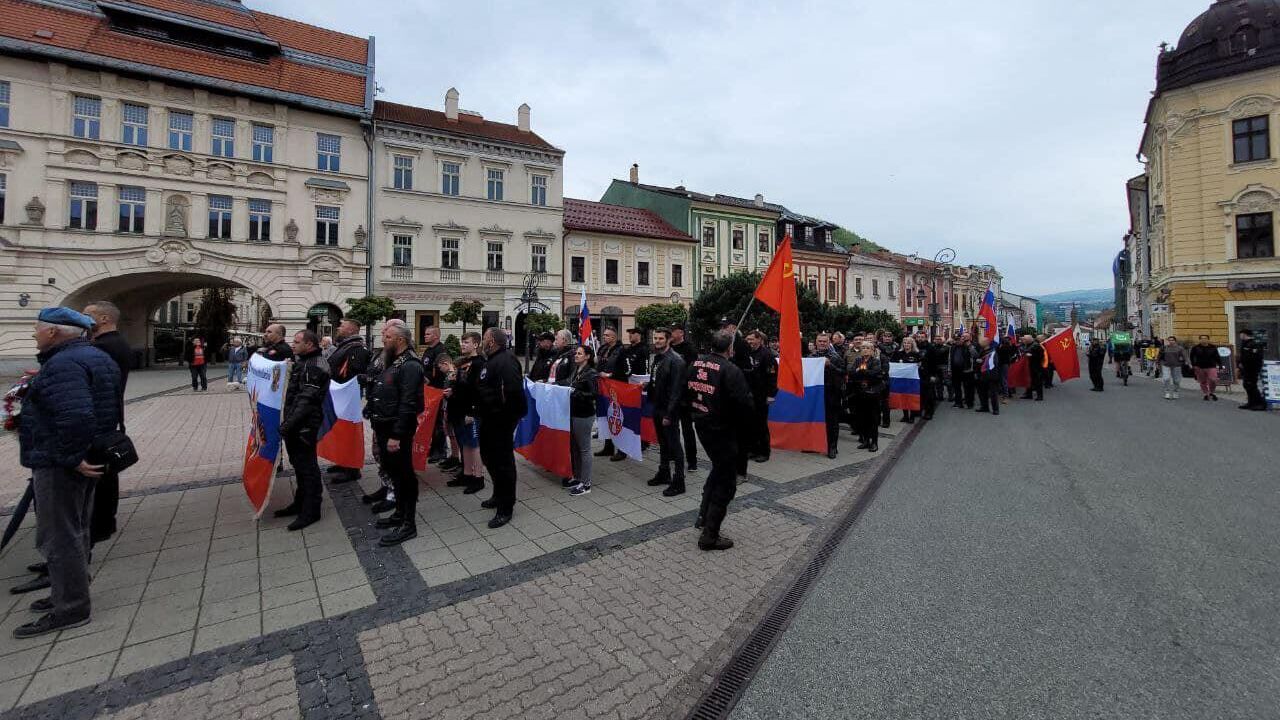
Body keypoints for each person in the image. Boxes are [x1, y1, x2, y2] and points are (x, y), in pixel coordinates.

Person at [14, 308, 121, 638]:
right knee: (77, 527)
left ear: (53, 333)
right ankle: (72, 588)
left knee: (60, 534)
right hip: (87, 455)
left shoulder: (64, 363)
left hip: (63, 462)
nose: (34, 333)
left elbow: (75, 415)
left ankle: (70, 606)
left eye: (37, 329)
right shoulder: (96, 356)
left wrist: (71, 456)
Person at [684, 330, 753, 551]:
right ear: (730, 348)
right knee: (726, 482)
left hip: (702, 425)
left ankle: (704, 515)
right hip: (722, 431)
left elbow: (686, 392)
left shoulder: (696, 364)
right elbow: (745, 405)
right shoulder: (731, 370)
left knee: (718, 470)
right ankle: (710, 535)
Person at [366, 322, 425, 546]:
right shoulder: (395, 361)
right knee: (395, 474)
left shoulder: (410, 365)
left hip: (396, 430)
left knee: (404, 476)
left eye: (388, 336)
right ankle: (400, 513)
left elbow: (408, 403)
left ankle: (408, 524)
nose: (384, 339)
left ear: (400, 340)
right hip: (385, 426)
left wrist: (397, 435)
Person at [82, 301, 131, 545]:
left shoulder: (104, 347)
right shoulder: (114, 343)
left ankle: (99, 525)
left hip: (97, 417)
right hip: (107, 415)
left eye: (87, 315)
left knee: (100, 475)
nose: (83, 319)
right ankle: (103, 523)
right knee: (105, 473)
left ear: (103, 319)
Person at [274, 330, 330, 531]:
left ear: (310, 345)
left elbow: (305, 401)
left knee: (308, 468)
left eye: (297, 342)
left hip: (304, 425)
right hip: (295, 423)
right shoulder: (303, 361)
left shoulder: (315, 366)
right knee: (299, 465)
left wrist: (286, 426)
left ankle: (311, 510)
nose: (293, 344)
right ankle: (300, 502)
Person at [476, 327, 527, 529]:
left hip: (501, 421)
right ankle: (498, 494)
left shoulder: (506, 360)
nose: (482, 341)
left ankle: (506, 507)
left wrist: (506, 417)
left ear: (493, 342)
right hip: (488, 419)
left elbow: (513, 391)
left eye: (485, 338)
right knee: (489, 459)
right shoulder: (491, 359)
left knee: (503, 463)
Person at [324, 319, 372, 484]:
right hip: (338, 396)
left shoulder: (357, 349)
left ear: (351, 330)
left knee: (348, 431)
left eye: (342, 326)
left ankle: (352, 469)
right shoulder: (345, 346)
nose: (338, 328)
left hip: (347, 398)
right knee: (339, 430)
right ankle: (343, 461)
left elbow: (352, 373)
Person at [645, 327, 687, 496]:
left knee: (674, 445)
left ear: (668, 340)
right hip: (657, 406)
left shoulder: (676, 361)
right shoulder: (658, 358)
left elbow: (677, 390)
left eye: (661, 338)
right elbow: (657, 380)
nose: (657, 341)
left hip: (669, 410)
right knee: (662, 442)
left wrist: (669, 414)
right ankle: (664, 473)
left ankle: (679, 480)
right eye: (655, 338)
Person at [444, 332, 486, 493]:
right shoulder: (463, 362)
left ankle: (478, 477)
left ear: (475, 344)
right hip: (458, 409)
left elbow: (477, 390)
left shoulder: (479, 363)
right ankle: (467, 474)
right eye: (462, 342)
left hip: (470, 412)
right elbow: (461, 385)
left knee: (474, 445)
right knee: (465, 444)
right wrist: (452, 392)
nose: (462, 345)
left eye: (466, 342)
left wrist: (473, 412)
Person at [566, 345, 599, 496]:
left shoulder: (591, 373)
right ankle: (578, 476)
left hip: (584, 415)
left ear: (587, 356)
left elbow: (592, 394)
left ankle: (586, 483)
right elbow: (568, 382)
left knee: (584, 449)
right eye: (576, 353)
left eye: (580, 354)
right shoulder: (576, 370)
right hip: (573, 412)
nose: (576, 355)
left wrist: (575, 392)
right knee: (574, 447)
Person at [669, 324, 700, 471]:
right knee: (671, 427)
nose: (671, 333)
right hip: (670, 395)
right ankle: (673, 454)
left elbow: (692, 371)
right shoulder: (668, 347)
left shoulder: (689, 349)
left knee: (687, 429)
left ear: (680, 333)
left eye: (673, 331)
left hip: (685, 396)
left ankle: (692, 461)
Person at [594, 328, 628, 461]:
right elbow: (598, 364)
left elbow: (627, 370)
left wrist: (610, 375)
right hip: (603, 388)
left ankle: (622, 449)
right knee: (605, 417)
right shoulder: (603, 348)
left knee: (617, 417)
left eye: (607, 335)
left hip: (616, 387)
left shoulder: (622, 350)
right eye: (604, 335)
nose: (604, 337)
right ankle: (608, 447)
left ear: (614, 337)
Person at [744, 330, 778, 459]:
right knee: (750, 424)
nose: (749, 342)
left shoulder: (767, 355)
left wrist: (771, 394)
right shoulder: (746, 353)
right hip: (748, 395)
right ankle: (752, 449)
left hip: (761, 395)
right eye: (747, 339)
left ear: (759, 340)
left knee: (761, 424)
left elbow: (772, 376)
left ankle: (764, 452)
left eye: (751, 339)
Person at [812, 332, 845, 459]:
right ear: (816, 342)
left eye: (824, 341)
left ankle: (832, 447)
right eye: (820, 341)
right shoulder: (811, 356)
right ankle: (815, 444)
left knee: (832, 422)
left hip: (832, 393)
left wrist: (829, 365)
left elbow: (842, 373)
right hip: (816, 394)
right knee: (816, 420)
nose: (822, 343)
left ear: (828, 342)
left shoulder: (835, 357)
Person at [418, 325, 448, 465]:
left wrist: (428, 378)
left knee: (437, 422)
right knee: (430, 420)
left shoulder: (441, 350)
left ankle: (440, 450)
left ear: (436, 336)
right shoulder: (428, 350)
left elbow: (440, 371)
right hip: (427, 391)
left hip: (436, 390)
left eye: (428, 334)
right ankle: (433, 447)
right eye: (425, 334)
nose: (425, 336)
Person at [847, 342, 883, 451]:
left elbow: (875, 374)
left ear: (872, 350)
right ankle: (865, 440)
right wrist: (859, 372)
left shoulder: (876, 361)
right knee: (862, 418)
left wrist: (863, 372)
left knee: (873, 419)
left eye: (868, 348)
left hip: (872, 394)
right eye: (863, 348)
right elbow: (852, 372)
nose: (865, 350)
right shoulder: (858, 360)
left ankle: (874, 442)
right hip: (860, 393)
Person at [892, 337, 923, 423]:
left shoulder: (916, 353)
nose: (906, 345)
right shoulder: (898, 353)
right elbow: (893, 363)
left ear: (912, 344)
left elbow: (921, 364)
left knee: (911, 398)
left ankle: (912, 416)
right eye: (905, 343)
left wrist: (919, 365)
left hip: (912, 380)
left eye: (908, 343)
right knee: (903, 397)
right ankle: (905, 416)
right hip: (902, 379)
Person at [1238, 328, 1267, 410]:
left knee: (1251, 385)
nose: (1240, 336)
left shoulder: (1254, 344)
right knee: (1247, 385)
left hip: (1252, 369)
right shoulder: (1245, 343)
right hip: (1246, 368)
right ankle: (1251, 403)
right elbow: (1244, 356)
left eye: (1241, 334)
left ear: (1244, 334)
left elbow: (1256, 357)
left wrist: (1252, 366)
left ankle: (1260, 404)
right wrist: (1241, 363)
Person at [1189, 335, 1221, 401]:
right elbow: (1192, 357)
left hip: (1211, 366)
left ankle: (1211, 392)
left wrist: (1220, 364)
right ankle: (1206, 394)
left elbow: (1217, 356)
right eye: (1202, 339)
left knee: (1213, 379)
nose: (1204, 340)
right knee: (1203, 381)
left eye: (1205, 338)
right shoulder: (1195, 348)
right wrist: (1193, 365)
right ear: (1200, 340)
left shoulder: (1213, 347)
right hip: (1199, 367)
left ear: (1208, 340)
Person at [975, 336, 1002, 413]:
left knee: (993, 393)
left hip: (991, 376)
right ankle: (984, 407)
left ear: (986, 343)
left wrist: (982, 361)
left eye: (981, 342)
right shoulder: (981, 351)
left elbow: (993, 364)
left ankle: (995, 409)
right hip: (982, 375)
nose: (980, 343)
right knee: (982, 392)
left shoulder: (993, 352)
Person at [949, 333, 977, 408]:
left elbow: (975, 355)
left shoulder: (968, 346)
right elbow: (950, 359)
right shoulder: (953, 347)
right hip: (955, 370)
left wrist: (969, 346)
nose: (958, 341)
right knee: (957, 387)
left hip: (966, 370)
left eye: (960, 339)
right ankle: (958, 402)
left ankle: (969, 403)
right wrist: (949, 370)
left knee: (967, 388)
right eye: (956, 339)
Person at [1159, 336, 1187, 400]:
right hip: (1166, 365)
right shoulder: (1164, 348)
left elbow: (1185, 356)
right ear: (1168, 341)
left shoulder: (1179, 348)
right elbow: (1159, 356)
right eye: (1169, 340)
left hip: (1176, 365)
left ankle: (1175, 392)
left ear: (1175, 341)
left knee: (1176, 380)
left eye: (1172, 340)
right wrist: (1157, 362)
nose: (1171, 341)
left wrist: (1188, 362)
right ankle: (1167, 392)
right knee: (1166, 379)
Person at [1019, 334, 1045, 401]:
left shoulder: (1036, 346)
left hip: (1036, 367)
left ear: (1028, 340)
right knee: (1029, 380)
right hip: (1029, 367)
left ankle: (1040, 396)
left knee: (1037, 382)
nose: (1023, 341)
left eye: (1024, 339)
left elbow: (1041, 356)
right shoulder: (1028, 345)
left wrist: (1031, 355)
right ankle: (1028, 394)